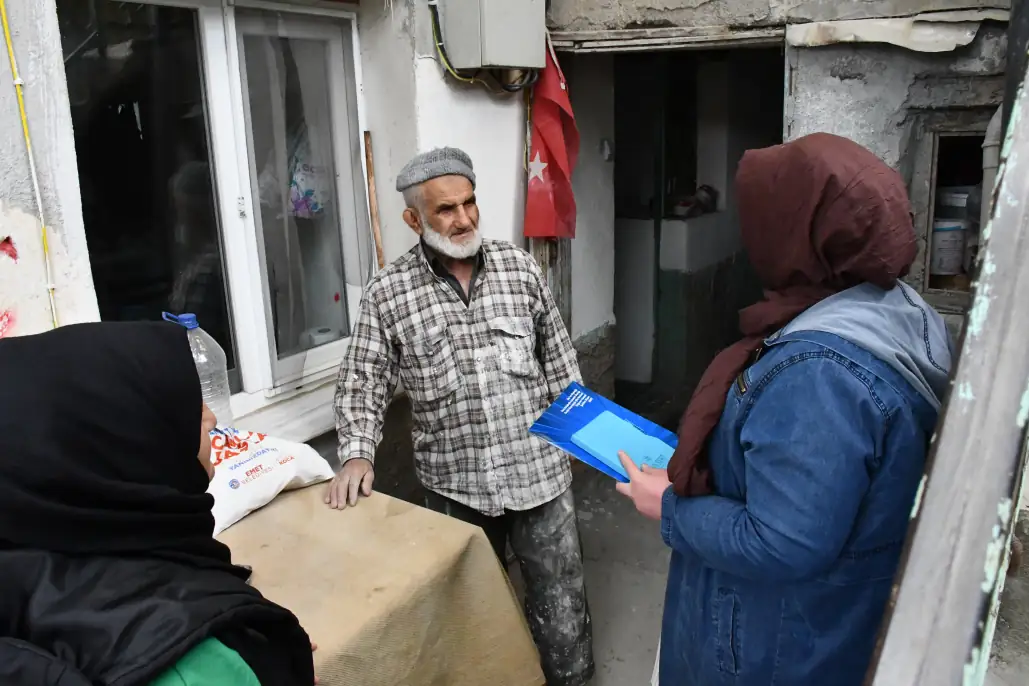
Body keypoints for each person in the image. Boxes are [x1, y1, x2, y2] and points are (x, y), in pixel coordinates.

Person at [616, 133, 954, 685]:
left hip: (767, 648)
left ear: (797, 228)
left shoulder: (819, 374)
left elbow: (784, 541)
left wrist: (670, 506)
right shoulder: (894, 309)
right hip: (819, 628)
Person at [327, 147, 595, 686]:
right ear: (414, 219)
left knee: (562, 606)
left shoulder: (519, 268)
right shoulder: (390, 293)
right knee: (472, 612)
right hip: (456, 487)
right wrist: (357, 452)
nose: (464, 218)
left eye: (469, 203)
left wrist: (600, 442)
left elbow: (562, 366)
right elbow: (363, 377)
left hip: (537, 475)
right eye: (446, 209)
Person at [0, 321, 316, 685]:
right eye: (189, 406)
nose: (211, 419)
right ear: (126, 443)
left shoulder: (46, 551)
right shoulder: (189, 662)